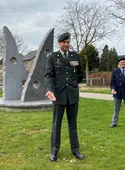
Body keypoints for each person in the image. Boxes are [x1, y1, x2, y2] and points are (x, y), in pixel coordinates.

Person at [44, 32, 85, 161]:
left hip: (72, 95)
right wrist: (50, 89)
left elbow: (80, 73)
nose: (66, 44)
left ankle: (75, 149)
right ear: (59, 43)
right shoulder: (52, 57)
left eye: (68, 42)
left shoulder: (75, 56)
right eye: (64, 42)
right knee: (57, 124)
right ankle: (54, 151)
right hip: (58, 95)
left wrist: (73, 84)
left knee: (73, 124)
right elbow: (49, 75)